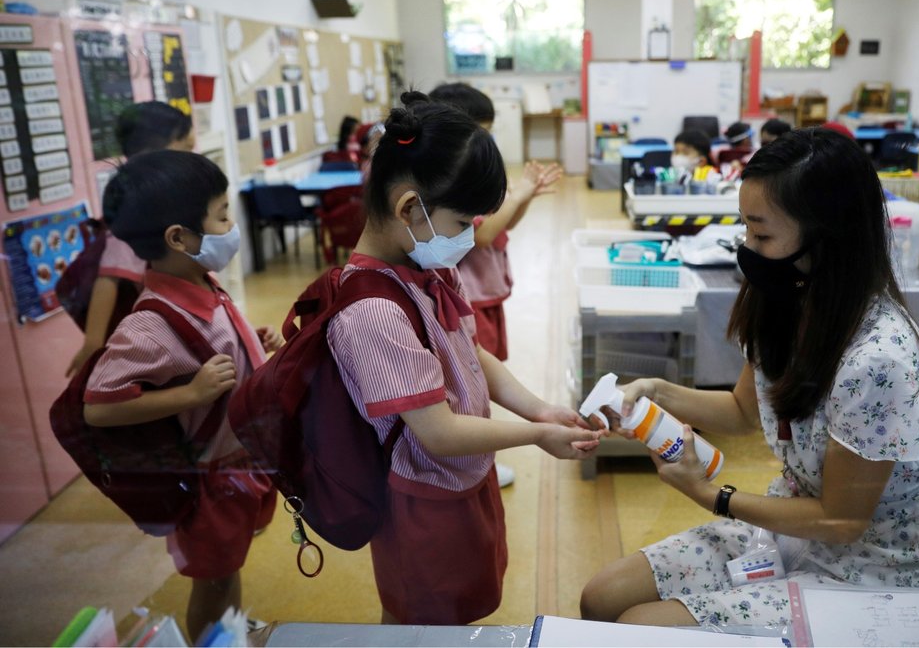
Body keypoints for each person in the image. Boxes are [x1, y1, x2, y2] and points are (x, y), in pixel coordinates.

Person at [580, 127, 919, 630]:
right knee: (602, 598)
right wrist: (653, 391)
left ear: (828, 237)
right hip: (790, 527)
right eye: (746, 230)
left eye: (763, 234)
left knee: (643, 626)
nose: (748, 249)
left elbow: (842, 521)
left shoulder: (879, 360)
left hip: (870, 567)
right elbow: (742, 411)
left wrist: (713, 496)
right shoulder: (787, 303)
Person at [325, 91, 605, 625]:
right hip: (421, 501)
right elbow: (438, 433)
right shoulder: (370, 310)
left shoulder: (428, 269)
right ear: (410, 208)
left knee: (453, 613)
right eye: (462, 223)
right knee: (419, 621)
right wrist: (535, 437)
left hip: (460, 479)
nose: (470, 236)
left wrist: (540, 410)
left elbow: (472, 354)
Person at [82, 150, 284, 641]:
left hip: (240, 465)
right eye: (221, 215)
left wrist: (252, 343)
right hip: (207, 479)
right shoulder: (150, 322)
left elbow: (209, 344)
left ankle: (228, 631)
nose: (230, 225)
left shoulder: (203, 284)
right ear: (179, 237)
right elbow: (98, 406)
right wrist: (190, 394)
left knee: (226, 569)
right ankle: (212, 638)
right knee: (212, 579)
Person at [429, 81, 563, 488]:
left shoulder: (475, 175)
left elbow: (500, 227)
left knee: (482, 376)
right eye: (478, 130)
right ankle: (475, 459)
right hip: (469, 298)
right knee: (468, 383)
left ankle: (478, 455)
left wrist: (523, 198)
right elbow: (484, 234)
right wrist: (519, 191)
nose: (483, 139)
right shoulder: (452, 183)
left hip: (487, 294)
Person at [65, 101, 195, 377]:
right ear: (152, 153)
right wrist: (93, 343)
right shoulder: (140, 202)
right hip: (154, 329)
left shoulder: (155, 193)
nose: (191, 159)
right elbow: (110, 274)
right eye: (185, 148)